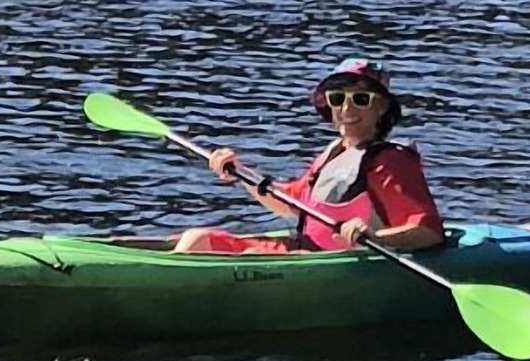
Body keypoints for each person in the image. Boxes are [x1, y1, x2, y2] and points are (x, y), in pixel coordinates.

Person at [172, 58, 446, 254]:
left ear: (382, 106)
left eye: (361, 99)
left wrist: (375, 237)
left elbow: (428, 232)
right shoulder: (334, 152)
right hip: (306, 251)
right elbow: (289, 203)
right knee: (197, 238)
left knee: (195, 243)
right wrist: (240, 172)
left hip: (338, 263)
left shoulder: (390, 161)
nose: (347, 109)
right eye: (337, 98)